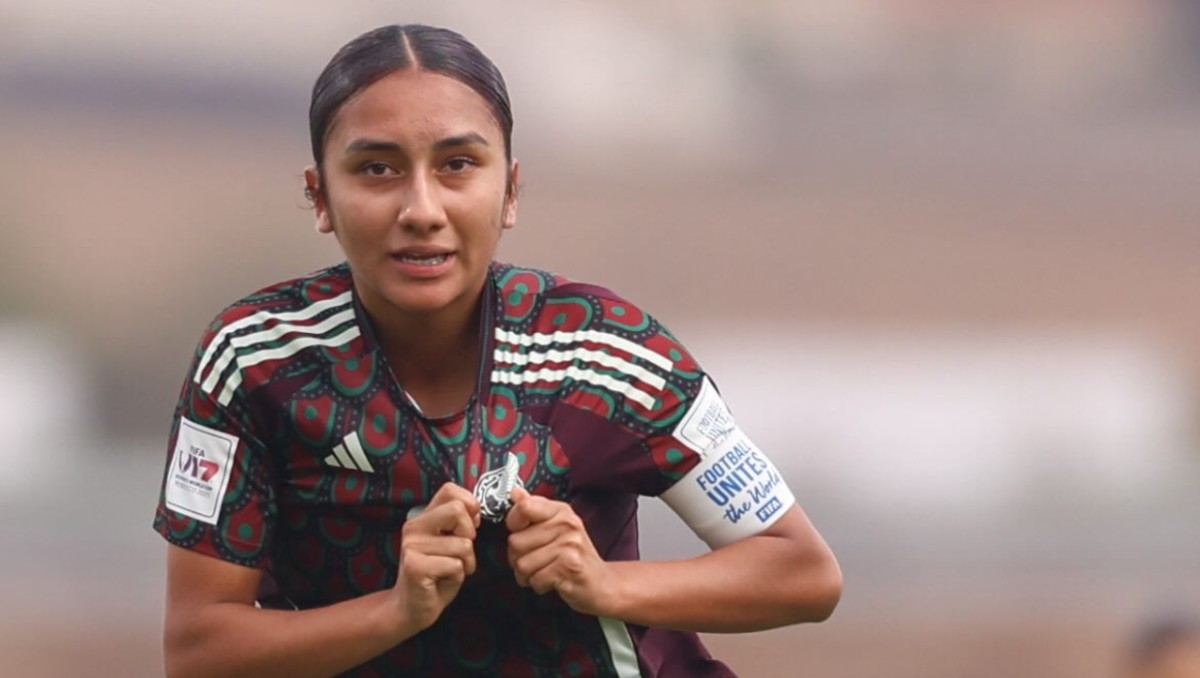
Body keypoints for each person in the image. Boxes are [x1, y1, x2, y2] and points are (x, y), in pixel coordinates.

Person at [153, 23, 842, 678]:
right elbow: (198, 650)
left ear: (509, 190)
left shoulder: (604, 351)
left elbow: (801, 572)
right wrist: (397, 611)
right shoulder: (254, 362)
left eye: (458, 165)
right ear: (320, 196)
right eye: (376, 169)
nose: (421, 208)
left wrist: (603, 583)